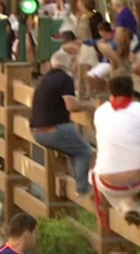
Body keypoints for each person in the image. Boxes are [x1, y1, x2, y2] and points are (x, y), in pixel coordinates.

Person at [91, 75, 140, 224]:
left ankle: (128, 207)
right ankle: (138, 205)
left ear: (110, 91)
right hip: (138, 179)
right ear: (132, 91)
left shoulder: (100, 111)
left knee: (98, 175)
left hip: (108, 182)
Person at [30, 50, 96, 196]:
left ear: (52, 64)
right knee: (84, 151)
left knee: (73, 150)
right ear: (69, 64)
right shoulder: (65, 79)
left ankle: (77, 186)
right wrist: (89, 105)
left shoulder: (44, 79)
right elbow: (71, 106)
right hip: (54, 129)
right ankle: (83, 190)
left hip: (37, 131)